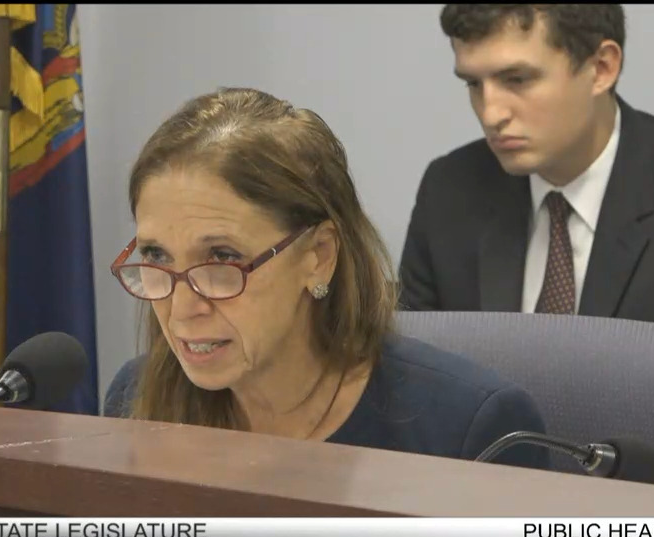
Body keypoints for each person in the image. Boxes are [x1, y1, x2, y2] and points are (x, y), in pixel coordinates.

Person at [103, 87, 548, 470]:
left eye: (222, 257)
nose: (182, 310)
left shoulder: (471, 431)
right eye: (156, 256)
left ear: (318, 256)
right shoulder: (136, 397)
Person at [397, 4, 654, 350]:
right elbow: (412, 385)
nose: (491, 113)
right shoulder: (448, 192)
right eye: (474, 83)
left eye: (517, 80)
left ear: (601, 67)